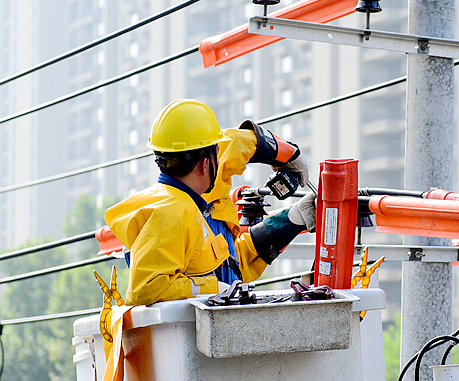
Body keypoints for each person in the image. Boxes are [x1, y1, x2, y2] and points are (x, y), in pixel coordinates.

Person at [105, 98, 316, 306]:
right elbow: (147, 288)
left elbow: (230, 266)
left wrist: (291, 220)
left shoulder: (189, 204)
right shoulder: (170, 213)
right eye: (216, 152)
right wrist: (213, 288)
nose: (222, 157)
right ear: (205, 165)